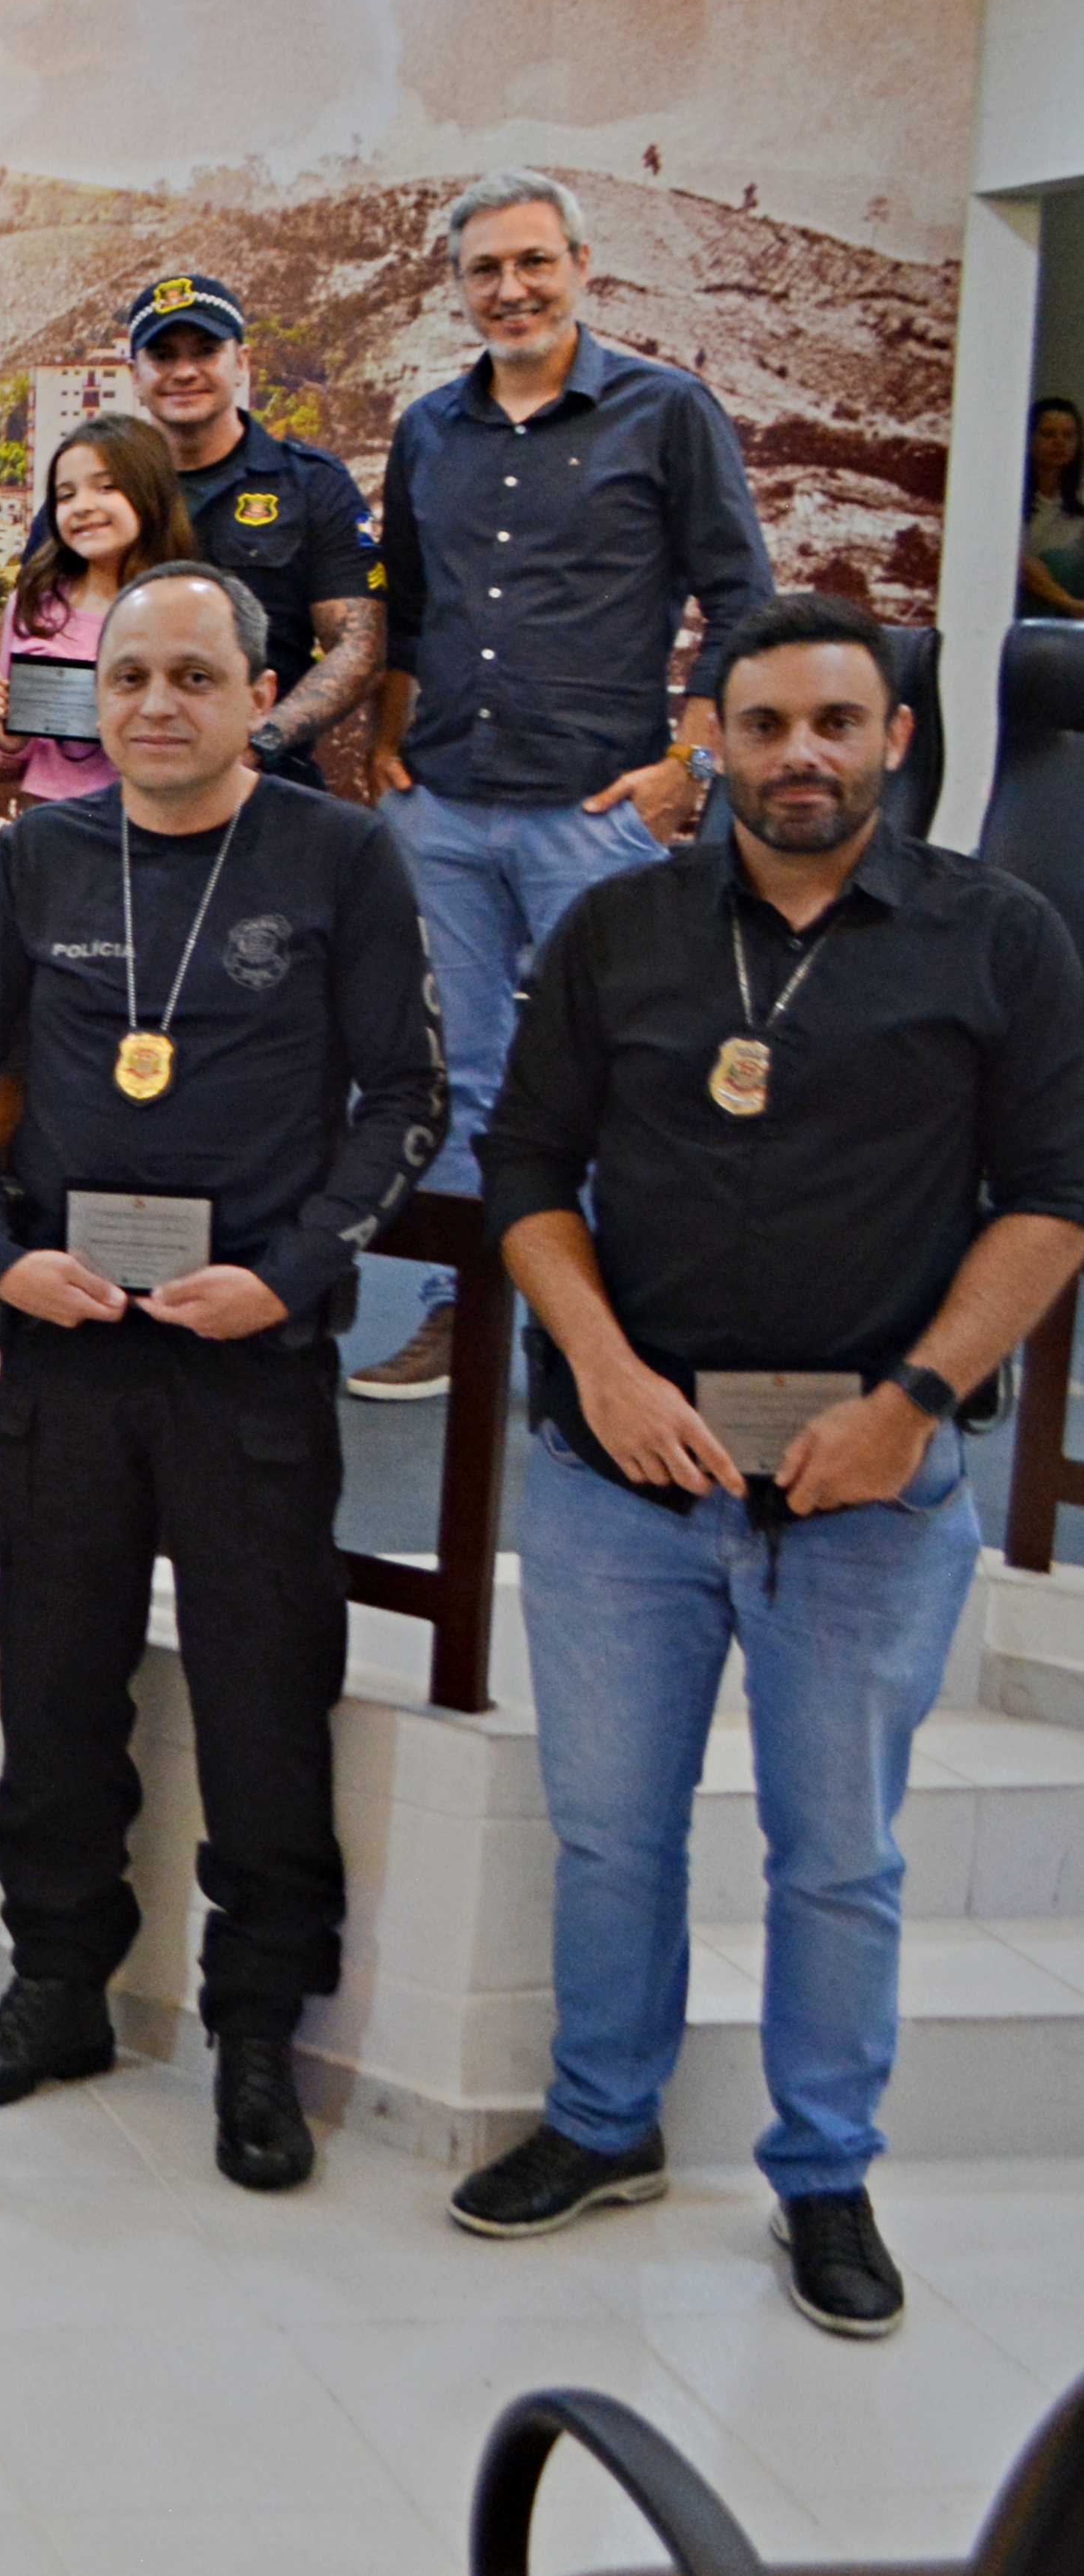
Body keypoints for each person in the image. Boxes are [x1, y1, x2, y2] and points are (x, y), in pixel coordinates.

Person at [447, 593, 1084, 2337]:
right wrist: (598, 1364)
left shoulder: (995, 938)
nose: (796, 755)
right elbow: (521, 1179)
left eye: (833, 722)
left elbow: (1049, 1203)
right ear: (707, 740)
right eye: (762, 724)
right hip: (615, 1477)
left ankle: (823, 2175)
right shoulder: (620, 934)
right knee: (606, 1832)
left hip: (862, 1486)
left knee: (833, 1854)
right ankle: (599, 2124)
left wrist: (910, 1403)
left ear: (890, 736)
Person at [0, 564, 444, 2193]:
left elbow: (403, 1096)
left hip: (244, 1363)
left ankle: (254, 2036)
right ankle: (55, 1987)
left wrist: (285, 1273)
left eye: (189, 677)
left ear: (249, 690)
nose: (150, 705)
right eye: (123, 675)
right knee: (55, 1688)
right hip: (65, 1352)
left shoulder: (338, 857)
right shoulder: (38, 855)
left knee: (261, 1709)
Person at [358, 170, 774, 1402]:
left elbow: (740, 599)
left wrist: (687, 765)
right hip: (444, 807)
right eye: (483, 270)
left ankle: (602, 1330)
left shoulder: (664, 412)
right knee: (467, 1070)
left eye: (532, 262)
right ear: (455, 288)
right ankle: (461, 1308)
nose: (510, 289)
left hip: (595, 812)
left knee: (621, 1069)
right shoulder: (429, 427)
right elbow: (413, 609)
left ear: (580, 267)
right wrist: (387, 744)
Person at [116, 274, 384, 786]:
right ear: (134, 373)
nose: (184, 372)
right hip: (117, 786)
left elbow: (359, 648)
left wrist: (259, 742)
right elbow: (36, 612)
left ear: (240, 362)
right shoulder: (100, 487)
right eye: (163, 355)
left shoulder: (311, 485)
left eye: (205, 351)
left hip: (268, 788)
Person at [0, 415, 198, 807]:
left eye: (107, 487)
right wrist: (9, 737)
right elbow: (19, 752)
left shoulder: (192, 607)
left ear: (152, 493)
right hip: (50, 818)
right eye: (66, 494)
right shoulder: (35, 604)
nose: (83, 507)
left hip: (160, 820)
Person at [1022, 395, 1083, 619]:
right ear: (1029, 440)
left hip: (1072, 599)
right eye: (1048, 434)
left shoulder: (1080, 498)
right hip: (1026, 603)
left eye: (1068, 436)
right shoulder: (1010, 497)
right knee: (1057, 561)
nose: (1059, 442)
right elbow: (1020, 566)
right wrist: (1072, 605)